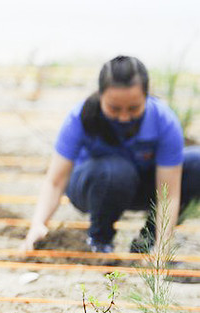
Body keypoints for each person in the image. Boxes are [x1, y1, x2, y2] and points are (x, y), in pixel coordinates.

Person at [24, 55, 200, 255]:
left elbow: (169, 194)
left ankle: (147, 243)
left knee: (197, 164)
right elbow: (55, 182)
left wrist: (163, 247)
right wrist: (38, 224)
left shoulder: (163, 121)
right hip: (91, 186)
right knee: (117, 171)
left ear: (147, 96)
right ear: (101, 96)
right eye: (114, 109)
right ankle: (100, 242)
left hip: (140, 187)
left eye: (133, 108)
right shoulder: (79, 117)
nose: (124, 117)